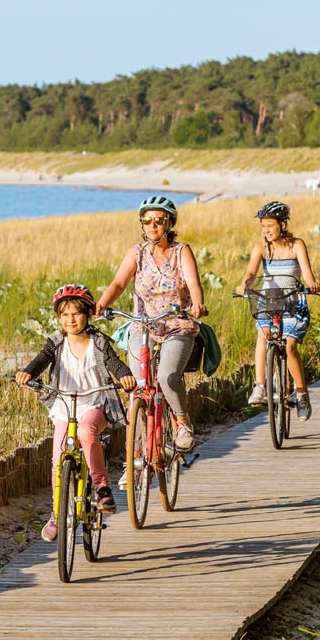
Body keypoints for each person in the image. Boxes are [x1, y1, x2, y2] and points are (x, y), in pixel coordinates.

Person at [17, 283, 135, 541]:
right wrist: (27, 373)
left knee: (86, 431)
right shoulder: (56, 344)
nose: (70, 319)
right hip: (65, 406)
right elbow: (39, 361)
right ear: (58, 317)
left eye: (77, 314)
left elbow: (116, 364)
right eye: (64, 314)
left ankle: (102, 488)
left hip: (94, 405)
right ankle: (57, 513)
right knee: (57, 458)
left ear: (89, 314)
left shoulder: (100, 343)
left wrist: (125, 376)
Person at [95, 194, 208, 453]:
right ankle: (137, 457)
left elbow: (193, 284)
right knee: (137, 387)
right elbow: (119, 284)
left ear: (169, 223)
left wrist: (198, 304)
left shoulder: (182, 251)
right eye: (147, 221)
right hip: (143, 327)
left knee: (168, 377)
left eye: (159, 220)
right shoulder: (137, 253)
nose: (152, 225)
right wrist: (102, 304)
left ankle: (182, 422)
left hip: (177, 326)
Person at [234, 200, 320, 418]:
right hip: (268, 300)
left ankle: (301, 394)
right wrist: (245, 285)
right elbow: (251, 273)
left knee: (290, 347)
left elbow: (307, 273)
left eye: (270, 225)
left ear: (282, 225)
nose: (266, 231)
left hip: (293, 301)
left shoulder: (297, 245)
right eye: (263, 226)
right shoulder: (260, 248)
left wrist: (312, 284)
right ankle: (260, 386)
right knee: (263, 335)